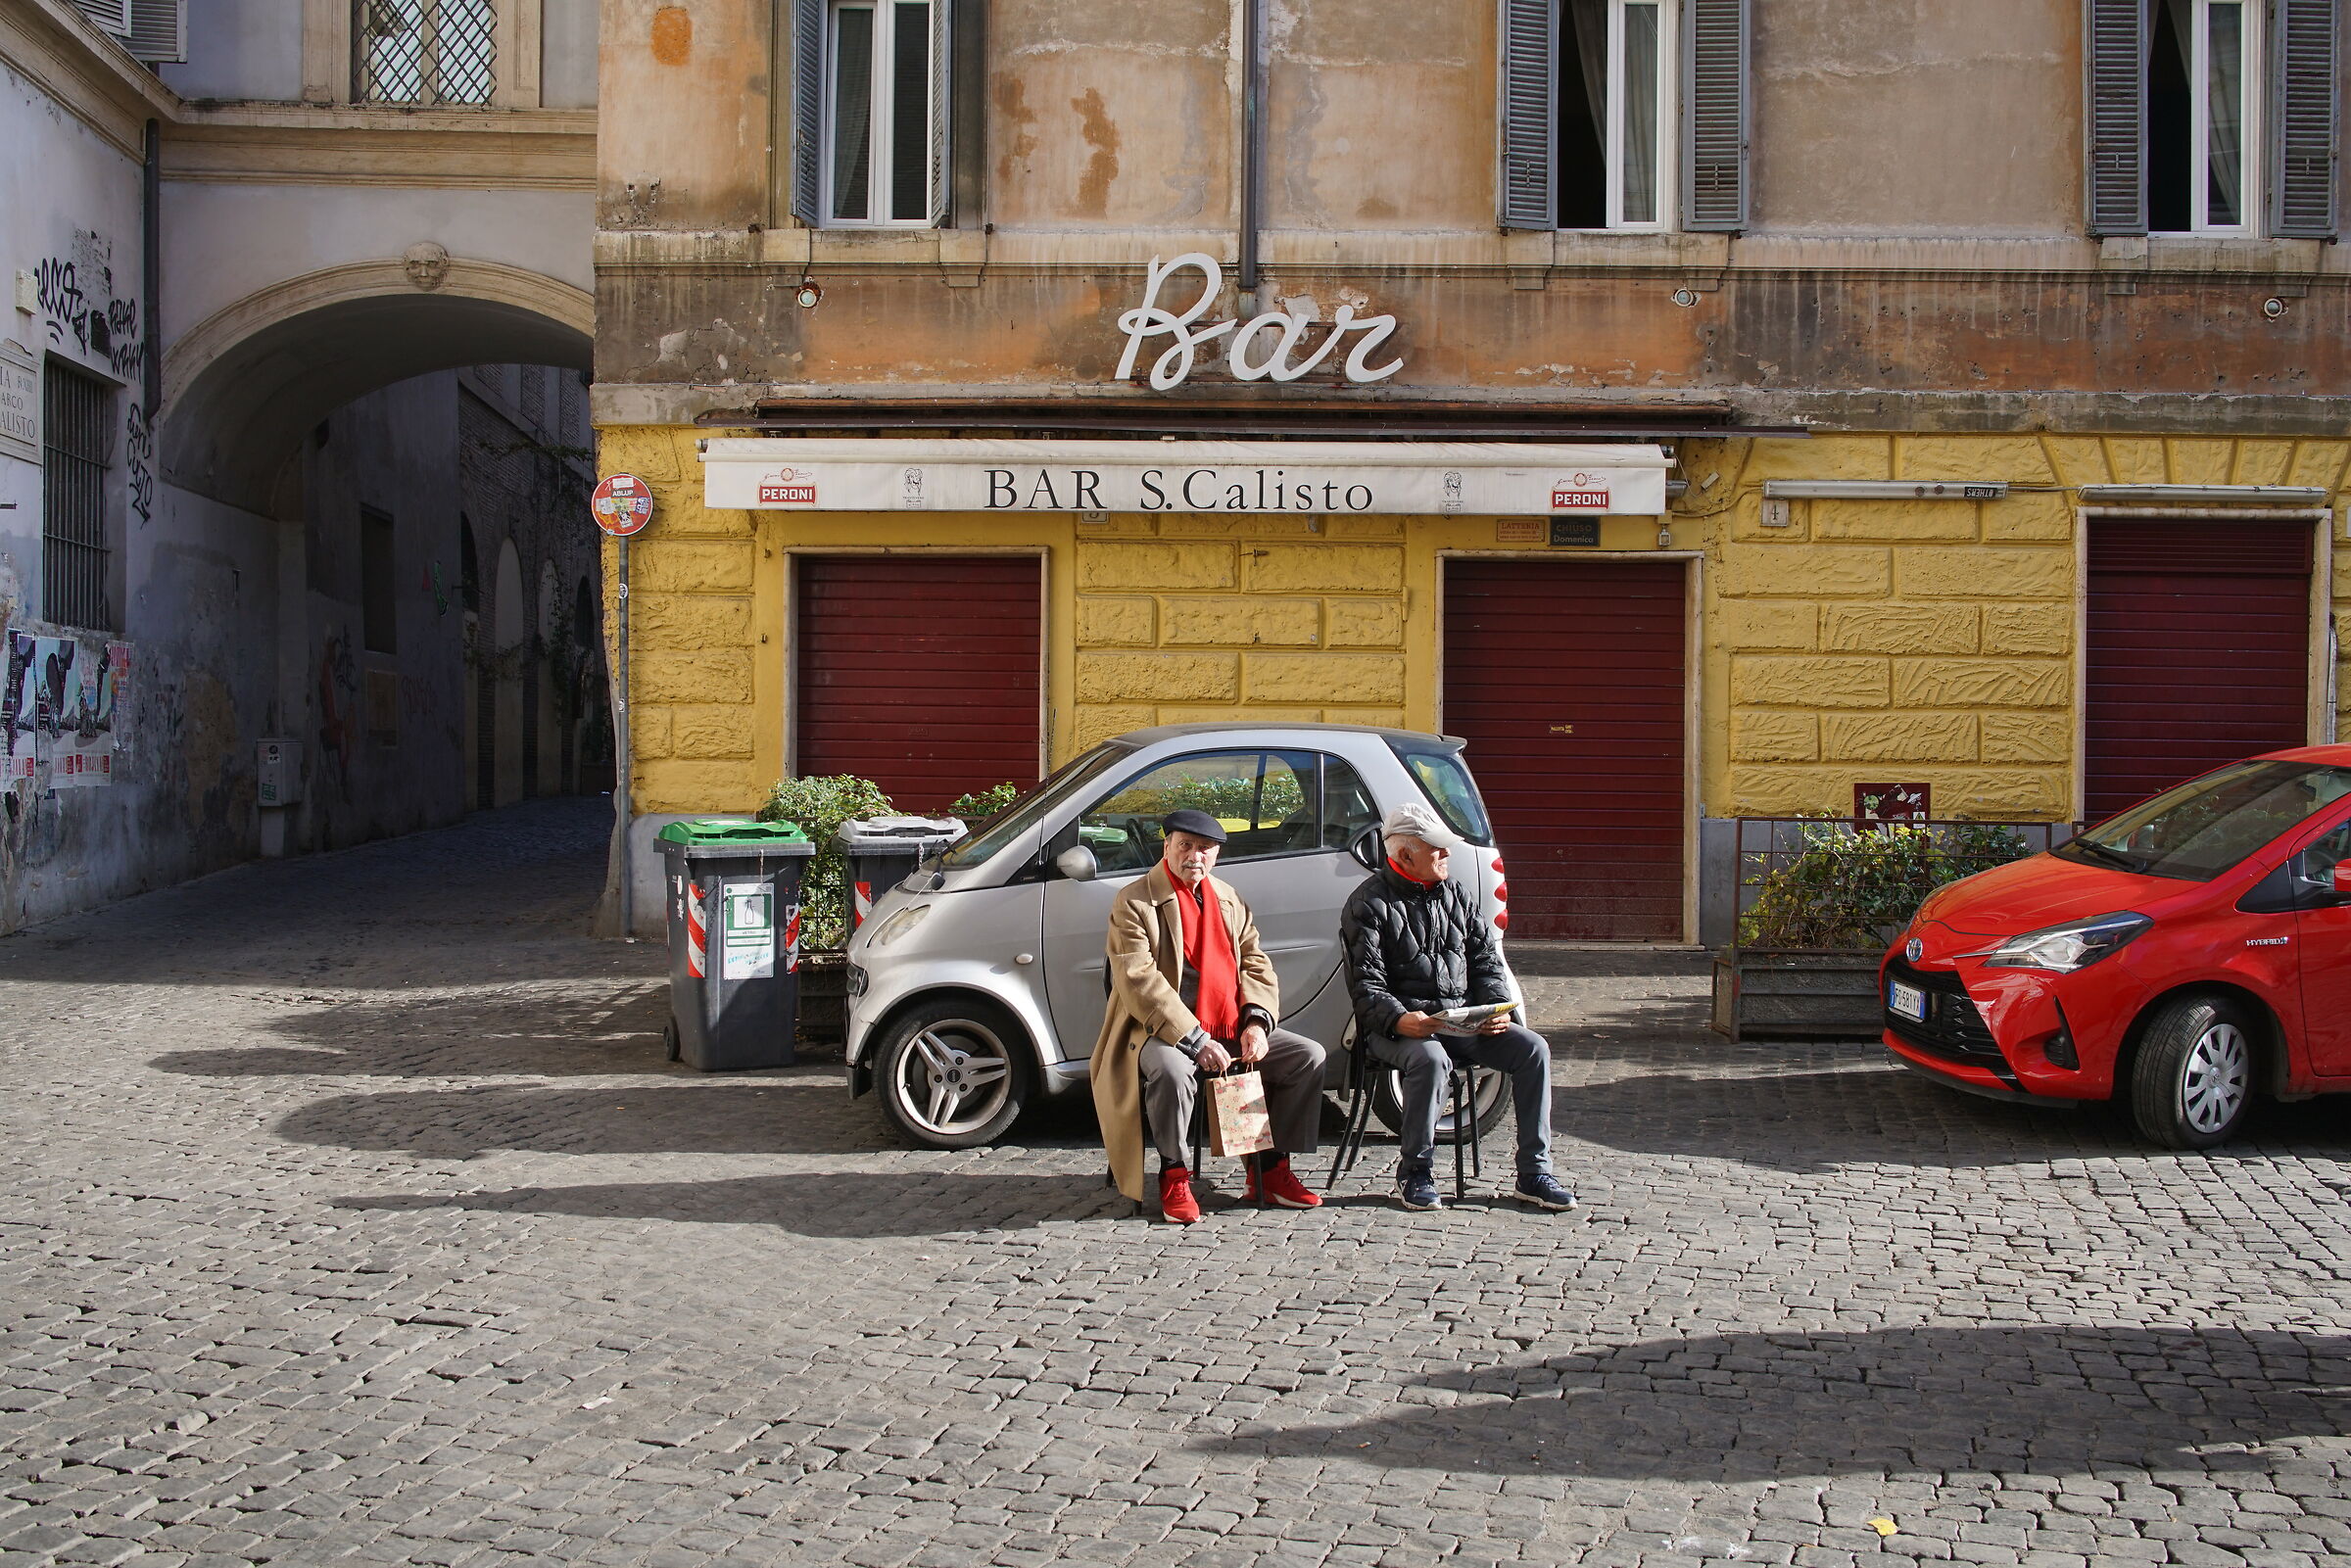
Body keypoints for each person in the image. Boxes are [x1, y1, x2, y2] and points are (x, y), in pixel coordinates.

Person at [1089, 808, 1327, 1223]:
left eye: (1205, 849)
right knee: (1172, 1072)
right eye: (1185, 846)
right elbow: (1138, 980)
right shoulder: (1135, 900)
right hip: (1158, 1029)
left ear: (1216, 855)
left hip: (1229, 1023)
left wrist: (1256, 1021)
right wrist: (1196, 1039)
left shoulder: (1229, 898)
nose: (1195, 856)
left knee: (1306, 1056)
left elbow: (1256, 964)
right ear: (1167, 847)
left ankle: (1268, 1169)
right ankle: (1174, 1172)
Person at [1339, 801, 1577, 1213]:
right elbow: (1366, 987)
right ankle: (1415, 1171)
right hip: (1398, 1032)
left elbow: (1487, 962)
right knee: (1430, 1058)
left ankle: (1534, 1173)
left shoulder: (1457, 895)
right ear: (1405, 854)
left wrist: (1493, 1009)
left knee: (1532, 1048)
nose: (1447, 854)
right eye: (1437, 848)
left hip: (1463, 1024)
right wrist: (1400, 1019)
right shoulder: (1368, 904)